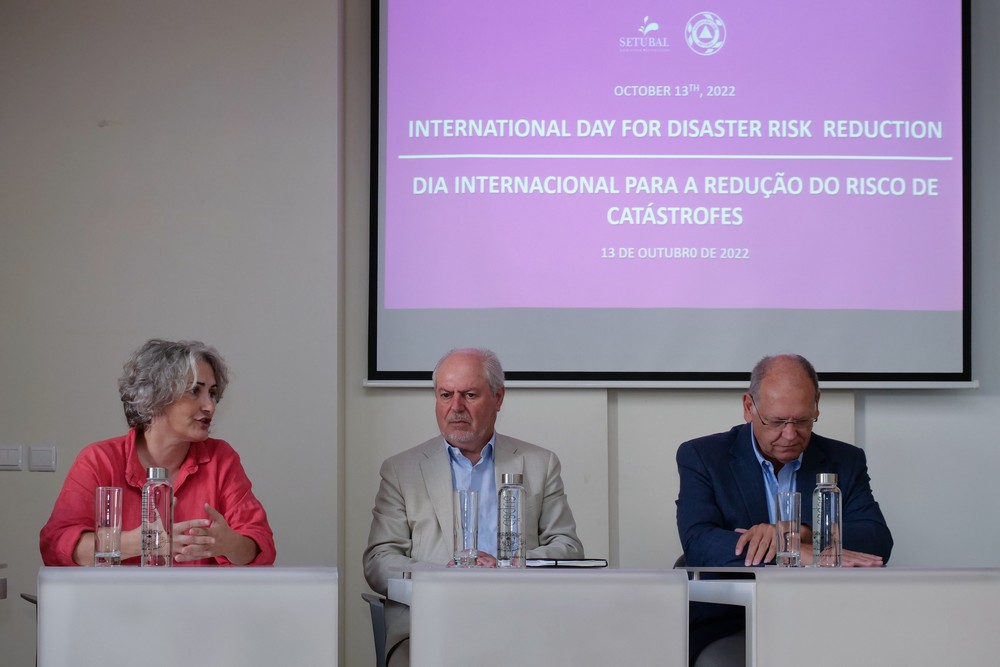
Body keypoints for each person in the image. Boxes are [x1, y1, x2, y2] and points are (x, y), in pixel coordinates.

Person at [364, 348, 584, 666]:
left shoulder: (540, 463)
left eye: (469, 394)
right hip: (430, 623)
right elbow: (378, 561)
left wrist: (505, 566)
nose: (456, 408)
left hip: (521, 619)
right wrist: (445, 575)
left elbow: (568, 548)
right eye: (445, 395)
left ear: (498, 397)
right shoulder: (402, 470)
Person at [675, 353, 893, 665]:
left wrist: (797, 533)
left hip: (826, 619)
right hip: (732, 622)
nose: (790, 435)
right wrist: (788, 552)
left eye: (802, 420)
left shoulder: (845, 460)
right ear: (749, 408)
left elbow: (876, 539)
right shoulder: (703, 456)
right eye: (777, 422)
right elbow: (698, 543)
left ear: (817, 404)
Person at [40, 339, 275, 566]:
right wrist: (137, 542)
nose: (210, 406)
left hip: (199, 604)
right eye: (195, 391)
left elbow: (262, 546)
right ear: (155, 397)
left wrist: (229, 544)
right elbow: (56, 545)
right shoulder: (98, 460)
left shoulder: (221, 458)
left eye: (212, 393)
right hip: (114, 604)